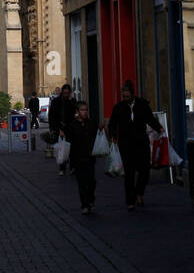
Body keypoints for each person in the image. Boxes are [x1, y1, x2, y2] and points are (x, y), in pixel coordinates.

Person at [108, 79, 163, 211]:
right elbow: (112, 123)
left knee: (145, 169)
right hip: (126, 144)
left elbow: (150, 118)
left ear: (133, 94)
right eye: (124, 96)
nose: (125, 98)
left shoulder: (142, 104)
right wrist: (113, 136)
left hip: (141, 142)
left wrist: (159, 128)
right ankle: (130, 201)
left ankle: (139, 192)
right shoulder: (119, 107)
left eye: (128, 96)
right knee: (129, 173)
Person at [65, 100, 99, 214]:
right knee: (81, 183)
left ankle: (91, 200)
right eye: (82, 110)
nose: (85, 112)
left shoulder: (92, 124)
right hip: (78, 158)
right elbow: (69, 142)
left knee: (91, 182)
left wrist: (101, 131)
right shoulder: (73, 125)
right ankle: (84, 204)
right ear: (77, 111)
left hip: (90, 157)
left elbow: (97, 138)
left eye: (86, 110)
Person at [48, 83, 77, 174]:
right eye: (65, 93)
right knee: (61, 148)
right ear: (62, 92)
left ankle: (72, 167)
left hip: (70, 128)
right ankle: (62, 168)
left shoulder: (72, 101)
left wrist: (71, 101)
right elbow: (51, 116)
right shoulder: (56, 101)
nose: (66, 95)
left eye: (68, 93)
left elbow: (75, 113)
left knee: (72, 149)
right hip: (59, 127)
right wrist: (54, 128)